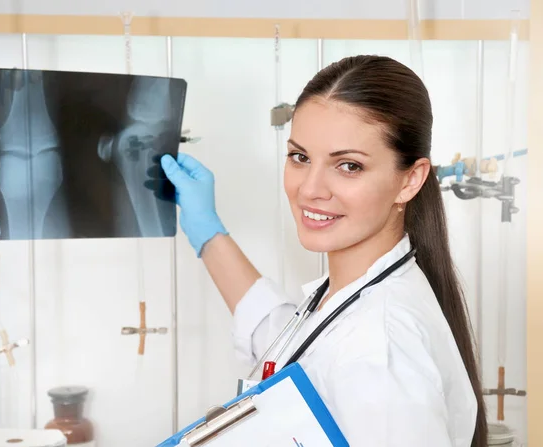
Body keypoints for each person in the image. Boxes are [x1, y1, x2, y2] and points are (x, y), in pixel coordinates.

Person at [157, 55, 487, 446]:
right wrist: (208, 233)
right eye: (300, 157)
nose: (310, 188)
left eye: (348, 166)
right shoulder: (352, 297)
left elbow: (345, 358)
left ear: (410, 180)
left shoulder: (381, 349)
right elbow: (293, 344)